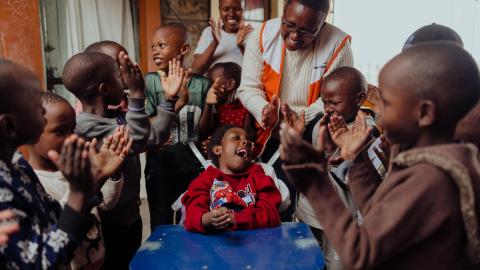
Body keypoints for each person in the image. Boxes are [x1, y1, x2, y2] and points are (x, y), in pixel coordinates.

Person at [280, 43, 480, 269]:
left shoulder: (431, 177)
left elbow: (360, 255)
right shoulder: (439, 158)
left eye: (385, 102)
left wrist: (315, 182)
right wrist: (355, 160)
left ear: (424, 113)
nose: (377, 108)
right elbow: (377, 211)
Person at [0, 59, 127, 269]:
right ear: (9, 125)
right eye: (34, 105)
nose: (42, 110)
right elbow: (43, 263)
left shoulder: (17, 164)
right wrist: (78, 192)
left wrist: (92, 183)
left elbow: (56, 217)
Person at [62, 51, 178, 269]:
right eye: (119, 77)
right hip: (110, 224)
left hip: (130, 218)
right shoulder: (86, 126)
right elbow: (137, 139)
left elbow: (150, 138)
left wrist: (170, 99)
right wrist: (136, 94)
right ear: (104, 89)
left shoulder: (113, 118)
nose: (124, 82)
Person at [28, 92, 132, 269]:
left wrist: (111, 174)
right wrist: (84, 188)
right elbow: (62, 222)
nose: (72, 137)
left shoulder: (77, 166)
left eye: (73, 129)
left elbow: (105, 203)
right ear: (30, 133)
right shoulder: (33, 183)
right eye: (60, 131)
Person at [145, 23, 211, 229]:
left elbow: (205, 131)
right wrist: (177, 102)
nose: (155, 50)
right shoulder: (149, 82)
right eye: (153, 46)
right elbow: (145, 128)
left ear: (183, 49)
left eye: (161, 45)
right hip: (160, 170)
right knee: (161, 226)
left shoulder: (202, 84)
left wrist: (210, 104)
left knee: (192, 223)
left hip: (194, 169)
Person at [182, 125, 281, 232]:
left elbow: (271, 215)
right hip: (213, 245)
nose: (246, 142)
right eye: (236, 138)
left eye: (248, 140)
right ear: (218, 149)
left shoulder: (260, 178)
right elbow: (192, 214)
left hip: (254, 244)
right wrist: (205, 219)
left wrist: (234, 218)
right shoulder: (205, 179)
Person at [199, 62, 255, 152]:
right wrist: (208, 105)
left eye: (211, 82)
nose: (207, 86)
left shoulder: (244, 110)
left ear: (230, 84)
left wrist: (216, 145)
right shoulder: (208, 105)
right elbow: (203, 134)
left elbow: (248, 139)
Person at [192, 0, 253, 75]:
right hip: (212, 86)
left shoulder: (253, 34)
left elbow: (259, 69)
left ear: (243, 10)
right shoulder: (209, 32)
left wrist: (241, 47)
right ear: (220, 10)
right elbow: (196, 70)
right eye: (226, 9)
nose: (232, 14)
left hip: (243, 86)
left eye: (237, 9)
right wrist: (214, 44)